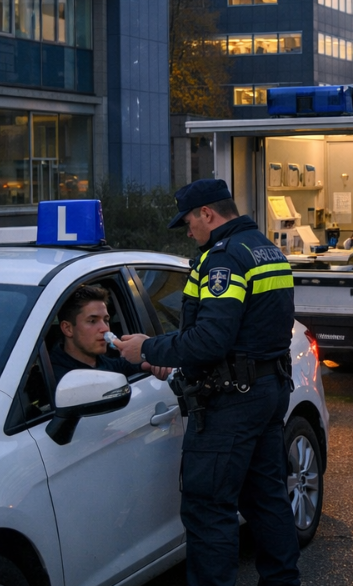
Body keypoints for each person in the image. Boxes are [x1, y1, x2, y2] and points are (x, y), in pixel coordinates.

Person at [115, 178, 300, 586]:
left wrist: (148, 348)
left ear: (207, 214)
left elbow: (212, 339)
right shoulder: (264, 248)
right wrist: (176, 358)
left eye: (188, 222)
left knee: (208, 508)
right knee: (267, 499)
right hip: (267, 390)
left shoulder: (223, 258)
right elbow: (245, 333)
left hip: (231, 404)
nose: (188, 231)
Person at [48, 284, 171, 384]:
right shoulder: (53, 376)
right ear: (68, 329)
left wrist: (153, 355)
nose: (105, 329)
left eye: (106, 320)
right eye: (92, 321)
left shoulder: (107, 363)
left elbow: (133, 365)